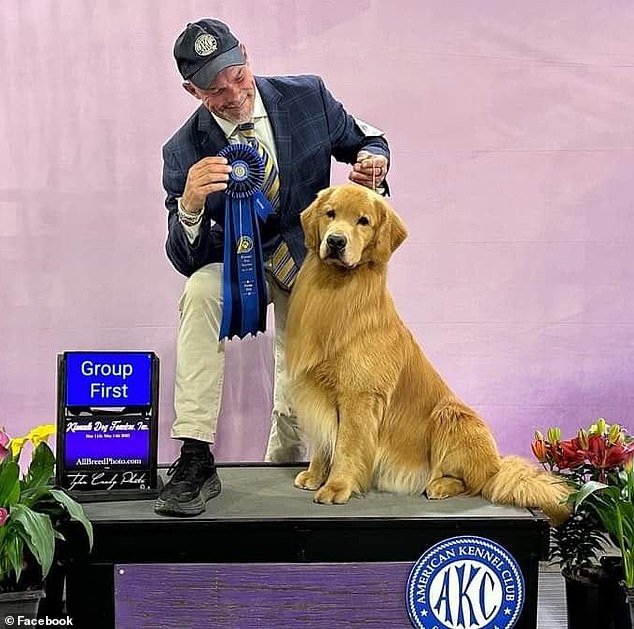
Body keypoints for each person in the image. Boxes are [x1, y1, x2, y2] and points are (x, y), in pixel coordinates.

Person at [155, 17, 390, 517]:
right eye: (214, 90)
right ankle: (195, 455)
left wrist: (373, 162)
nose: (233, 93)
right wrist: (192, 204)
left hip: (310, 264)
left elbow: (368, 139)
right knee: (199, 293)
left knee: (296, 371)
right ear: (190, 90)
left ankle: (291, 462)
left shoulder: (307, 97)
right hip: (239, 266)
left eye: (237, 76)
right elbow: (182, 256)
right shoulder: (182, 151)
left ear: (246, 53)